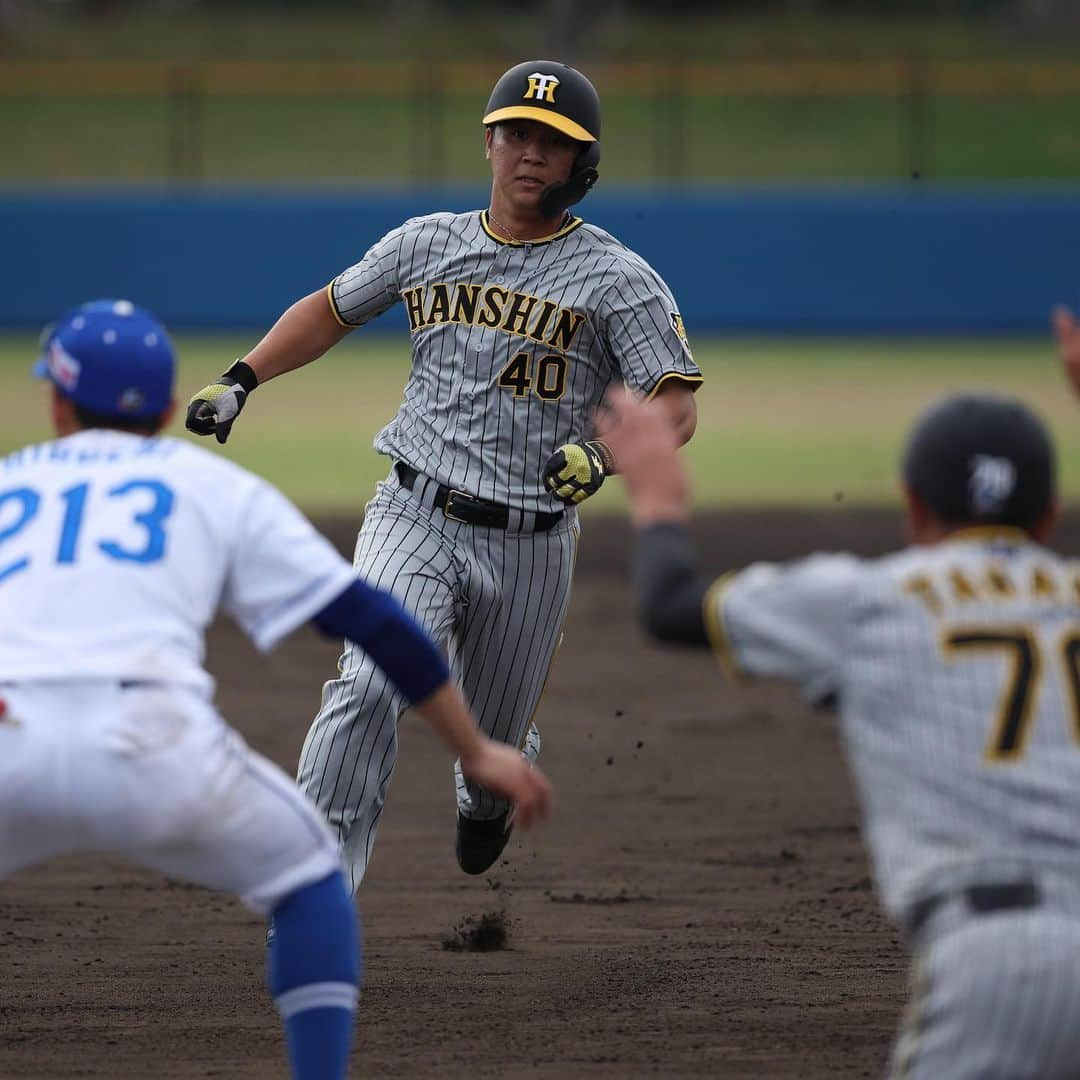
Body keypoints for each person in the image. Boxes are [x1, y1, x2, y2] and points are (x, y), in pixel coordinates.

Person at [184, 59, 702, 890]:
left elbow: (673, 402)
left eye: (553, 142)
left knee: (490, 741)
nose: (531, 153)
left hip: (531, 542)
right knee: (368, 681)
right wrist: (239, 378)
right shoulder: (427, 242)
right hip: (413, 511)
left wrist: (604, 456)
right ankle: (314, 882)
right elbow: (330, 308)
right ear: (491, 143)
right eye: (517, 134)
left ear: (582, 165)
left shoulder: (617, 277)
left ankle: (486, 792)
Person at [0, 299, 551, 1080]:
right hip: (153, 744)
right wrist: (474, 752)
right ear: (163, 410)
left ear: (56, 403)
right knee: (309, 881)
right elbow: (377, 622)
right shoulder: (210, 487)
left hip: (9, 740)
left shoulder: (9, 483)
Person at [596, 371, 1080, 1077]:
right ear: (1049, 517)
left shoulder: (870, 601)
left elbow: (670, 603)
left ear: (912, 507)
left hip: (1000, 963)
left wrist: (658, 496)